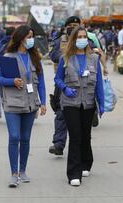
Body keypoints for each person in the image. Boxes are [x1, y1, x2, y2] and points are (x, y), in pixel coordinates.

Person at [0, 25, 46, 188]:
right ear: (21, 38)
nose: (31, 40)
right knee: (14, 137)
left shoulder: (35, 57)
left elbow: (42, 82)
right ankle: (14, 173)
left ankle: (22, 170)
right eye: (29, 36)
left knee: (25, 138)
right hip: (12, 103)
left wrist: (43, 102)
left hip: (30, 104)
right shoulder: (8, 56)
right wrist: (12, 81)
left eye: (33, 36)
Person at [55, 26, 104, 186]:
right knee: (75, 137)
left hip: (88, 102)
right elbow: (58, 79)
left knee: (85, 135)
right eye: (79, 36)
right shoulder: (66, 58)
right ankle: (73, 173)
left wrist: (101, 103)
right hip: (70, 102)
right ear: (73, 39)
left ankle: (86, 162)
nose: (82, 39)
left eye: (84, 36)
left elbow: (99, 84)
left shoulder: (94, 59)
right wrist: (65, 88)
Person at [48, 16, 81, 156]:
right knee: (61, 114)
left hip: (82, 84)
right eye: (71, 25)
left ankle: (80, 145)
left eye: (76, 25)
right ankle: (59, 144)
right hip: (63, 82)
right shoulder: (59, 41)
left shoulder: (87, 39)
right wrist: (69, 52)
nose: (73, 27)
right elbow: (54, 56)